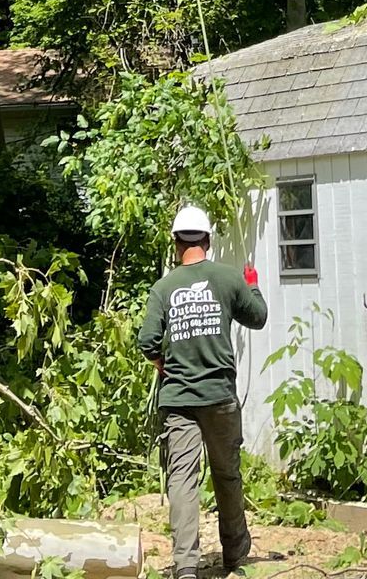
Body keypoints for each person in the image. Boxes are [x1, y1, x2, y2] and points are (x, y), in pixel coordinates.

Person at [137, 204, 268, 579]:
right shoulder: (228, 279)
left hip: (179, 401)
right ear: (207, 241)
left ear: (176, 243)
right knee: (226, 474)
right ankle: (235, 555)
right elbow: (257, 317)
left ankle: (186, 567)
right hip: (220, 397)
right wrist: (253, 283)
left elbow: (147, 340)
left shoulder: (164, 288)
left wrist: (165, 366)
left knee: (182, 480)